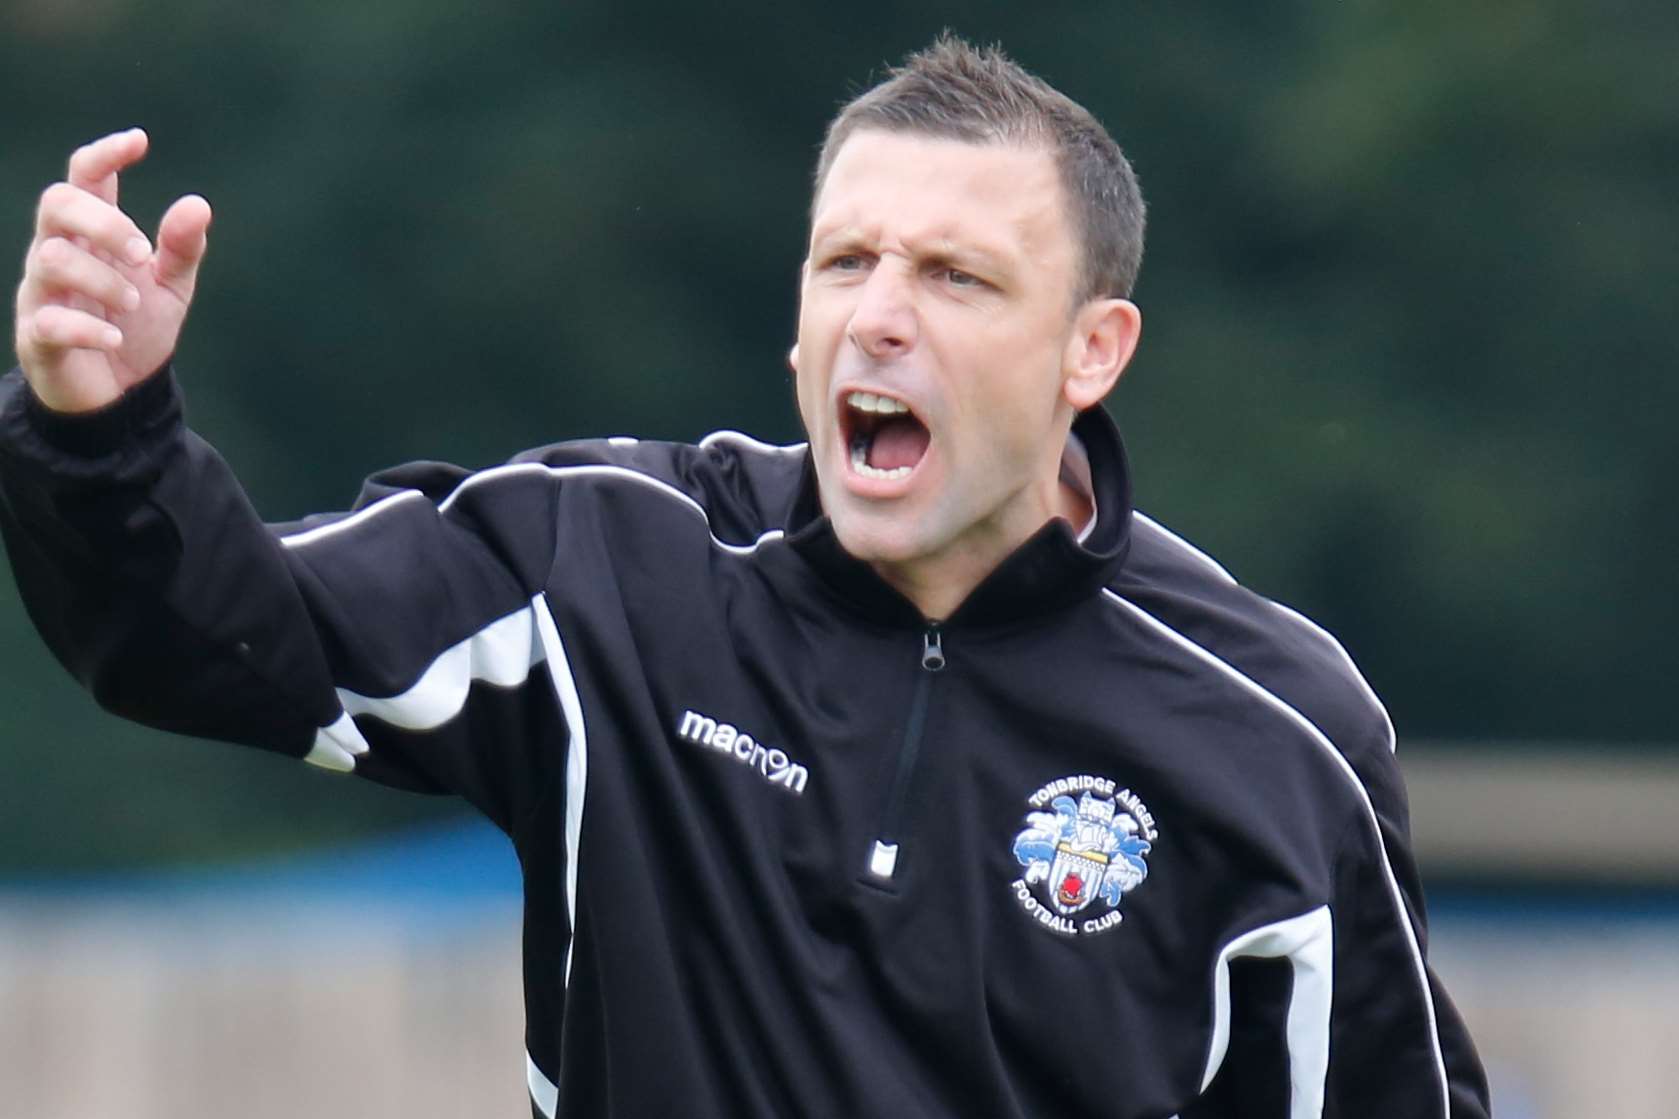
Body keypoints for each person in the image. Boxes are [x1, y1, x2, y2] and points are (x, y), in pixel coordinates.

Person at [2, 35, 1489, 1119]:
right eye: (847, 264)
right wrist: (103, 429)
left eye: (955, 278)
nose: (879, 319)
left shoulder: (1278, 736)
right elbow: (212, 637)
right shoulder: (602, 567)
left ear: (1091, 353)